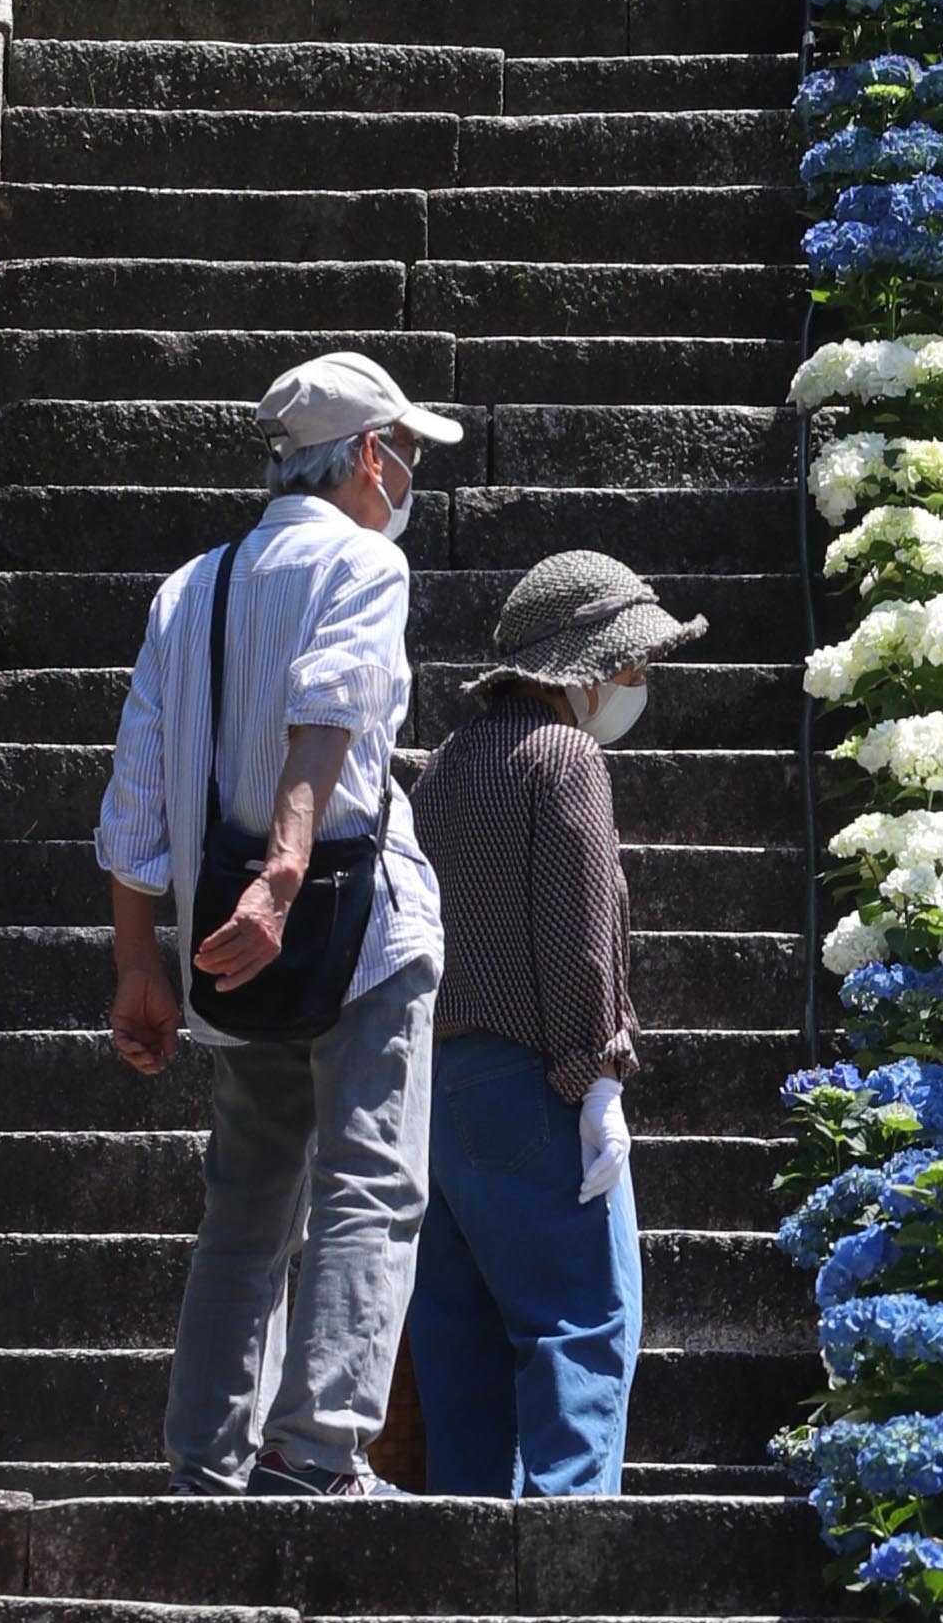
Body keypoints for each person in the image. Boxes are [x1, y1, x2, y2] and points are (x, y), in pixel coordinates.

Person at [97, 353, 460, 1496]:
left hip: (225, 946)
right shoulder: (365, 562)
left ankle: (205, 1455)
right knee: (370, 1181)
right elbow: (332, 705)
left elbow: (138, 790)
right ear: (366, 456)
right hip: (351, 922)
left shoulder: (189, 585)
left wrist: (136, 964)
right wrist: (288, 871)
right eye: (404, 453)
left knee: (248, 1201)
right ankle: (319, 1447)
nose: (406, 477)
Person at [407, 553, 704, 1497]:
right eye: (632, 666)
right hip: (535, 1079)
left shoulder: (447, 765)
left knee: (457, 1336)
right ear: (586, 669)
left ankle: (460, 1547)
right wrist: (596, 1076)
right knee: (582, 1319)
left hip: (438, 1086)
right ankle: (568, 1542)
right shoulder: (567, 758)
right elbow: (578, 934)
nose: (638, 684)